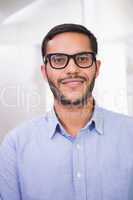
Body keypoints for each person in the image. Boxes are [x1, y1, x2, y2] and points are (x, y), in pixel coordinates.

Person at [0, 23, 133, 200]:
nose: (72, 69)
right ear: (44, 72)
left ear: (97, 67)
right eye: (58, 60)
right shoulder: (15, 146)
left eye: (83, 58)